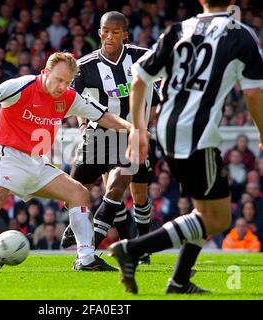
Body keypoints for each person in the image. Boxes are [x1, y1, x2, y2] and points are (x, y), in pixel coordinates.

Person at [110, 0, 263, 294]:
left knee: (203, 211)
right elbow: (254, 94)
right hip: (198, 134)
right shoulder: (239, 33)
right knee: (217, 218)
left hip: (168, 128)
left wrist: (139, 131)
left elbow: (140, 74)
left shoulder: (179, 29)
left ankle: (179, 280)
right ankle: (132, 248)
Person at [0, 52, 131, 272]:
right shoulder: (22, 86)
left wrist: (133, 129)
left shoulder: (69, 97)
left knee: (79, 194)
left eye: (68, 82)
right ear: (46, 71)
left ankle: (86, 259)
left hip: (37, 163)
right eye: (59, 79)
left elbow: (103, 116)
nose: (62, 86)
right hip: (7, 155)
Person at [60, 11, 159, 265]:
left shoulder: (143, 58)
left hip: (132, 134)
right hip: (98, 134)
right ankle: (94, 234)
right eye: (106, 31)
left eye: (116, 32)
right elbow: (75, 102)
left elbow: (158, 98)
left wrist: (146, 125)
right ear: (100, 32)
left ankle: (130, 246)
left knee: (134, 191)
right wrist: (83, 127)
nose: (110, 36)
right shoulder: (84, 66)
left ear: (125, 35)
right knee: (73, 192)